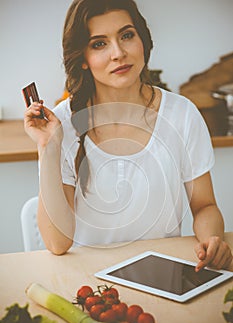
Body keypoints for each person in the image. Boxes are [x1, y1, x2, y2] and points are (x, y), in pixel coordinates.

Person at [24, 0, 232, 272]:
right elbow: (57, 243)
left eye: (126, 35)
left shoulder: (182, 114)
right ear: (83, 59)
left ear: (142, 40)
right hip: (90, 282)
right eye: (99, 44)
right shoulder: (62, 123)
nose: (118, 53)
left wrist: (212, 240)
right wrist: (48, 146)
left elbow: (204, 206)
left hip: (163, 276)